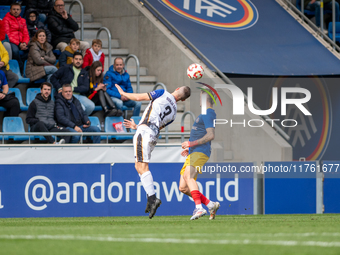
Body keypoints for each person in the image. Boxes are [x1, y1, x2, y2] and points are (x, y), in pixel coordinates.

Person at [120, 85, 191, 219]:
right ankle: (150, 197)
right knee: (138, 166)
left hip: (145, 131)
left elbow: (139, 98)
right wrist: (137, 126)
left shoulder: (162, 92)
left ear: (177, 88)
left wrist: (124, 93)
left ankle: (152, 198)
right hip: (153, 134)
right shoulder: (174, 114)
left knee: (142, 167)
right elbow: (159, 124)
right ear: (182, 101)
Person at [178, 88, 220, 220]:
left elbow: (211, 135)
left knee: (188, 176)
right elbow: (201, 133)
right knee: (183, 187)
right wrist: (190, 148)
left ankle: (199, 208)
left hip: (200, 152)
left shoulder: (208, 113)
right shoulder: (206, 113)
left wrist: (191, 144)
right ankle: (210, 204)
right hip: (194, 151)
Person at [3, 3, 30, 71]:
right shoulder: (6, 19)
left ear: (20, 10)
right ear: (10, 10)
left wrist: (24, 42)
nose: (16, 11)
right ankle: (19, 68)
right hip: (11, 42)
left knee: (32, 49)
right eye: (14, 9)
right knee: (15, 51)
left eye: (18, 9)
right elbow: (7, 35)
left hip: (22, 42)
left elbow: (26, 34)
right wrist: (19, 44)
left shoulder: (23, 20)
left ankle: (27, 69)